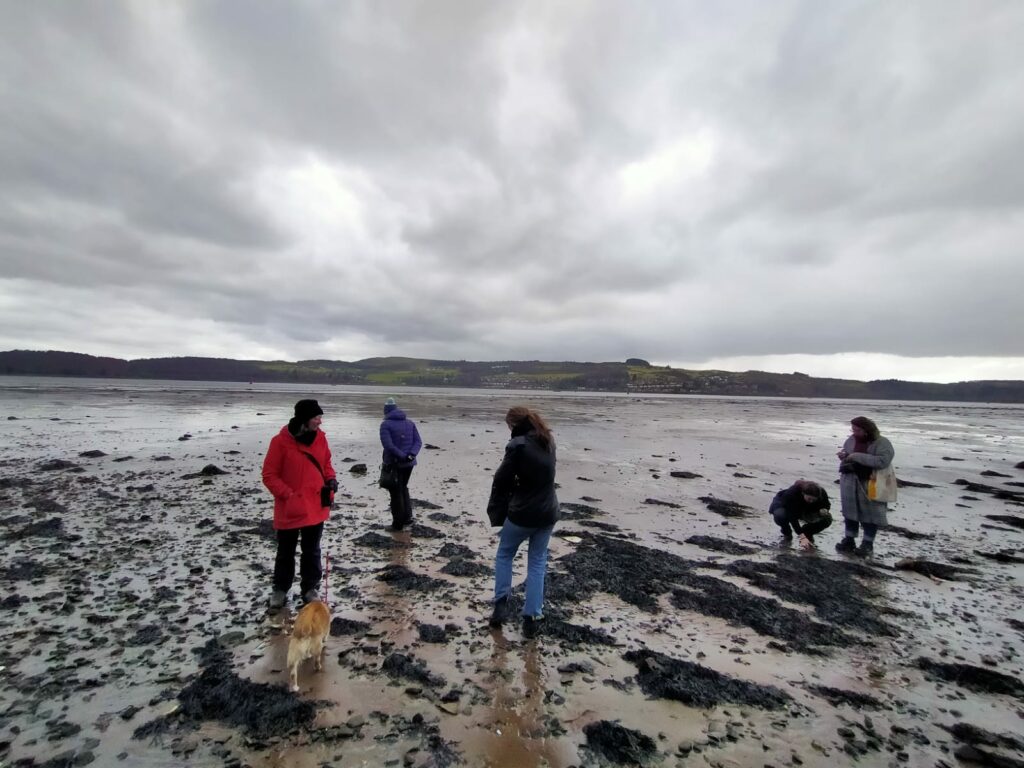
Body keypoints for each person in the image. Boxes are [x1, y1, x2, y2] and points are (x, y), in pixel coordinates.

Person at [487, 406, 559, 639]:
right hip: (548, 513)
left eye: (508, 425)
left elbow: (501, 478)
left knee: (505, 554)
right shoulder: (548, 441)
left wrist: (510, 492)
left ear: (514, 424)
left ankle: (500, 605)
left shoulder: (517, 445)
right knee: (537, 562)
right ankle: (532, 617)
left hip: (522, 513)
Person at [262, 399, 338, 608]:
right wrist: (289, 495)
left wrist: (331, 479)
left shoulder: (321, 439)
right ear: (304, 419)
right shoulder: (280, 442)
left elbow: (326, 464)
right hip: (291, 507)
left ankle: (309, 588)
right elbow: (269, 475)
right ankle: (280, 589)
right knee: (285, 551)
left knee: (312, 549)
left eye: (320, 417)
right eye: (316, 417)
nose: (319, 422)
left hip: (316, 504)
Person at [835, 416, 895, 557]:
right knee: (849, 512)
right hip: (850, 480)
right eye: (853, 429)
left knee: (871, 515)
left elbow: (883, 461)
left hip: (871, 483)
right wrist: (844, 456)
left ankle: (867, 544)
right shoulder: (851, 440)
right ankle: (849, 540)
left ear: (866, 430)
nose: (854, 432)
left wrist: (856, 456)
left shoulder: (882, 443)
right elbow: (848, 454)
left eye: (857, 429)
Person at [379, 397, 422, 532]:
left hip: (394, 463)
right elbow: (418, 442)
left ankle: (397, 524)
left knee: (395, 492)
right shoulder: (410, 423)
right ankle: (407, 518)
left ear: (386, 411)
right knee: (403, 488)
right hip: (409, 464)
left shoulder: (385, 425)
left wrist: (402, 456)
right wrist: (411, 455)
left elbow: (388, 446)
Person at [769, 480, 832, 549]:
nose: (811, 501)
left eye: (814, 500)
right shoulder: (791, 494)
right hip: (786, 506)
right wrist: (802, 536)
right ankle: (787, 532)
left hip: (807, 509)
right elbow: (792, 518)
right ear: (803, 493)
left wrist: (824, 509)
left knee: (827, 519)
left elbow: (827, 504)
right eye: (809, 499)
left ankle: (807, 532)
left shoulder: (821, 492)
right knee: (780, 515)